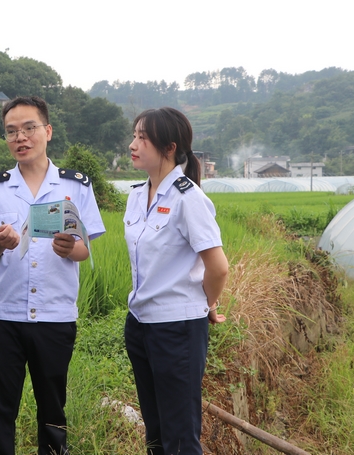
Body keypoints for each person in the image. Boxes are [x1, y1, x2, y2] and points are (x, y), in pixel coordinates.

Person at [0, 96, 106, 455]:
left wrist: (69, 248)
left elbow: (85, 249)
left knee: (53, 408)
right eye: (11, 131)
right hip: (2, 316)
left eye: (29, 128)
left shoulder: (76, 186)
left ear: (48, 131)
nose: (21, 138)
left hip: (54, 315)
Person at [123, 107, 229, 455]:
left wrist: (205, 304)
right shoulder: (136, 195)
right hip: (140, 324)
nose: (133, 145)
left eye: (142, 138)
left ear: (169, 148)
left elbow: (218, 267)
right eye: (134, 136)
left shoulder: (189, 198)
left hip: (177, 329)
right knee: (155, 431)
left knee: (180, 436)